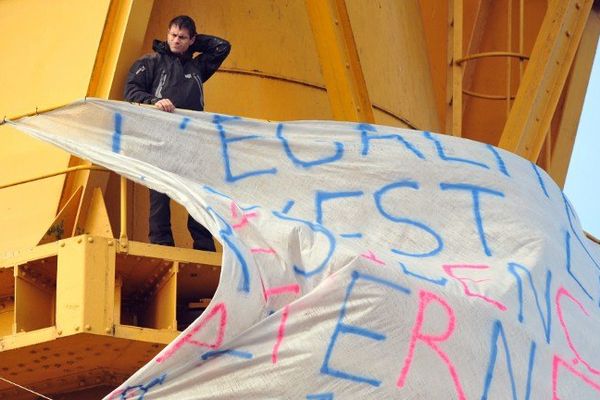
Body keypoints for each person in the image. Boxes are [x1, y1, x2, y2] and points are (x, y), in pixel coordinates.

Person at [124, 15, 231, 251]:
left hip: (193, 140)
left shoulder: (197, 67)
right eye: (172, 35)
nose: (176, 40)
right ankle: (162, 243)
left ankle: (203, 244)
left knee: (198, 192)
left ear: (192, 40)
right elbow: (130, 90)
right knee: (160, 191)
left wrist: (194, 43)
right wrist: (154, 101)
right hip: (160, 137)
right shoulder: (152, 62)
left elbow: (223, 47)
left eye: (183, 37)